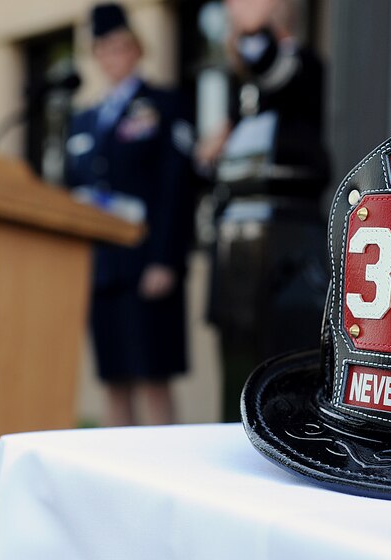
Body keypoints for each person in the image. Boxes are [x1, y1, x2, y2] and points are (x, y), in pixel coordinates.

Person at [195, 0, 330, 422]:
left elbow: (272, 65)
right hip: (239, 231)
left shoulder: (303, 64)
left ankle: (282, 434)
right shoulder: (244, 82)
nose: (234, 7)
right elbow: (218, 154)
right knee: (237, 353)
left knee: (283, 352)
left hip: (288, 232)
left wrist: (257, 29)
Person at [64, 3, 193, 426]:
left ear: (138, 49)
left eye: (122, 46)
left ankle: (164, 477)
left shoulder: (163, 105)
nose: (113, 56)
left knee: (152, 377)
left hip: (146, 263)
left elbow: (176, 188)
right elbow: (72, 190)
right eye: (104, 48)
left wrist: (165, 259)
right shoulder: (84, 121)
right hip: (102, 269)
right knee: (114, 379)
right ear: (96, 55)